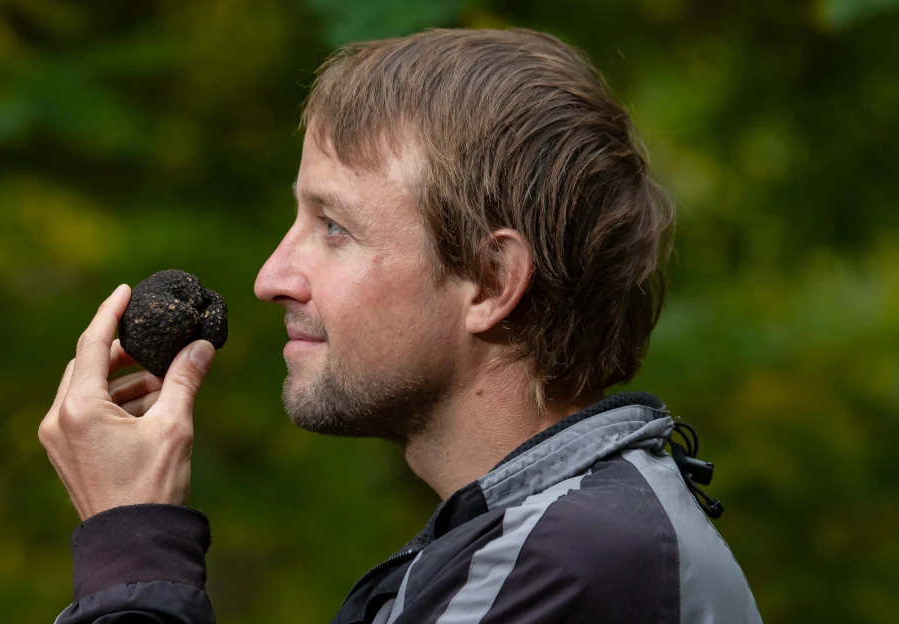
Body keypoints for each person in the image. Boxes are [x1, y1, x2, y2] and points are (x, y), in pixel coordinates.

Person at [38, 28, 762, 623]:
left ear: (490, 281)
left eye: (333, 227)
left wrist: (130, 546)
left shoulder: (567, 567)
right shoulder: (528, 542)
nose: (271, 278)